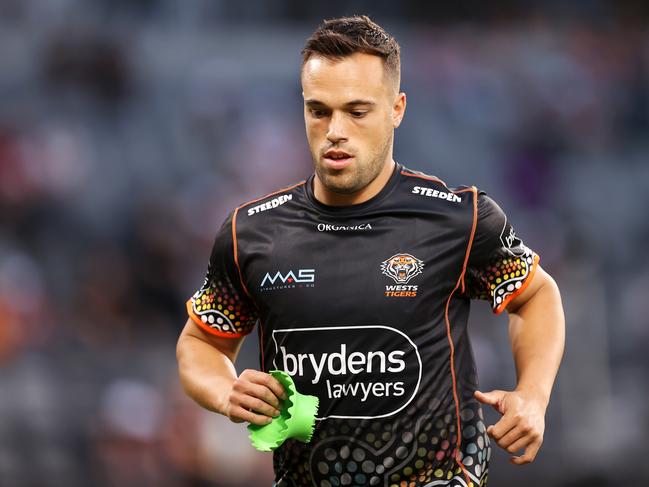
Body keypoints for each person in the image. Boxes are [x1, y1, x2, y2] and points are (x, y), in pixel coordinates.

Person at [176, 15, 565, 487]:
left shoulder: (458, 218)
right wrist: (226, 390)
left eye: (357, 112)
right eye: (319, 111)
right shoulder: (250, 233)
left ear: (397, 108)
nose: (335, 130)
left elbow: (535, 295)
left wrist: (533, 394)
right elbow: (200, 343)